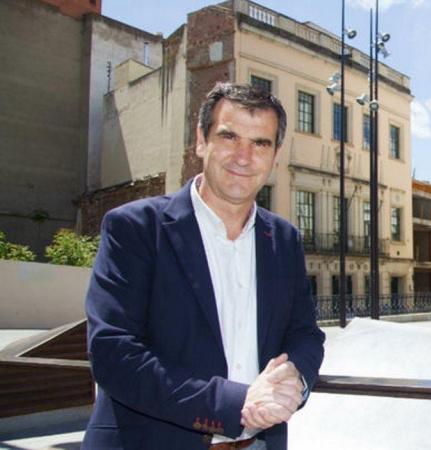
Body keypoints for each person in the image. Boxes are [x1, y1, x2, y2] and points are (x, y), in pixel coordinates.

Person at [84, 83, 325, 450]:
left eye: (260, 143)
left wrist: (294, 379)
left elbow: (306, 335)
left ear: (275, 155)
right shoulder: (134, 228)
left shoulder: (284, 239)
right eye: (229, 136)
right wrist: (231, 403)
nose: (243, 157)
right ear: (201, 141)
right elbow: (113, 352)